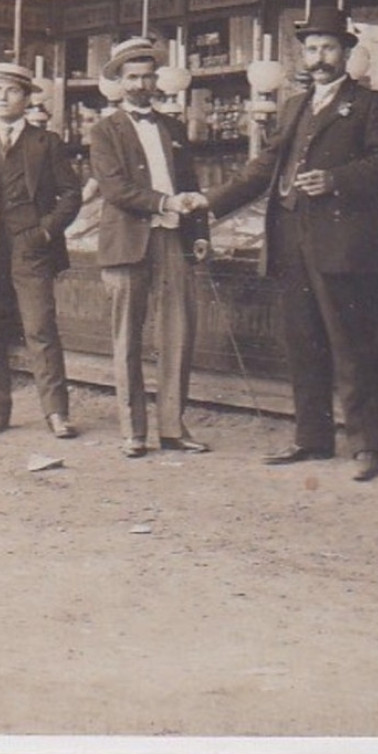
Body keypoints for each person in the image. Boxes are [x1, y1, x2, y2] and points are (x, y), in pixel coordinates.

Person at [204, 6, 378, 483]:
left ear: (347, 52)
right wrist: (208, 205)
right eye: (311, 49)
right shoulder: (294, 106)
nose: (319, 58)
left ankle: (366, 446)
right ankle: (312, 439)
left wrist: (335, 180)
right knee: (302, 344)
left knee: (350, 345)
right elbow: (262, 169)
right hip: (290, 240)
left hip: (344, 244)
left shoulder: (373, 105)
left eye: (329, 48)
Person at [0, 61, 85, 439]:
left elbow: (72, 194)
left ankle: (56, 412)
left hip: (31, 249)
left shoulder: (47, 142)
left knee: (41, 329)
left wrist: (45, 232)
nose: (2, 96)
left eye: (11, 90)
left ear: (26, 98)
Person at [88, 37, 212, 458]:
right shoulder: (104, 131)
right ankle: (133, 431)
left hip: (172, 239)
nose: (141, 84)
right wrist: (163, 202)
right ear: (119, 83)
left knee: (178, 334)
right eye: (132, 77)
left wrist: (198, 234)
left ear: (157, 80)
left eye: (147, 76)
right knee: (128, 339)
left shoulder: (173, 127)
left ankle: (173, 428)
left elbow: (191, 184)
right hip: (127, 242)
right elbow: (116, 188)